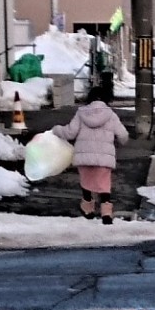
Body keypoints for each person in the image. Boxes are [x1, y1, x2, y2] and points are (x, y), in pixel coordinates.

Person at [52, 86, 129, 225]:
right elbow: (123, 135)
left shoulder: (81, 113)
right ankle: (106, 212)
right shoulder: (111, 115)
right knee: (104, 184)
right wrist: (122, 141)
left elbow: (70, 132)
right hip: (104, 157)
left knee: (86, 182)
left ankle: (88, 209)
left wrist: (56, 130)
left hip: (84, 156)